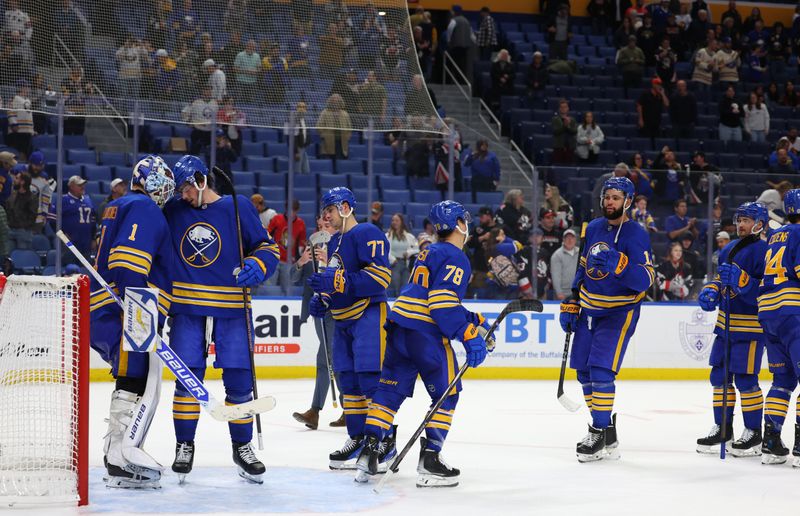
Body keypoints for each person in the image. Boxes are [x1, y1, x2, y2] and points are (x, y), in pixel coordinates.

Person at [356, 200, 490, 487]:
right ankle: (430, 458)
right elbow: (440, 304)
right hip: (425, 335)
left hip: (399, 327)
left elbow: (430, 297)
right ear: (459, 224)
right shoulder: (457, 256)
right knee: (448, 392)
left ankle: (369, 453)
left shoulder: (429, 251)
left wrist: (473, 319)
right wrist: (468, 334)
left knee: (388, 394)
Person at [163, 155, 280, 483]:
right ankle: (184, 445)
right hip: (187, 307)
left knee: (241, 381)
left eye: (186, 188)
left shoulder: (239, 207)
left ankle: (241, 447)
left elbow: (267, 248)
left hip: (232, 307)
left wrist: (259, 265)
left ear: (201, 181)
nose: (183, 195)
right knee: (187, 379)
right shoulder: (173, 210)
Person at [90, 155, 176, 489]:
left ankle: (121, 453)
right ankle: (119, 457)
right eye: (164, 182)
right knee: (133, 378)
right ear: (151, 180)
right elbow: (127, 262)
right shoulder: (144, 208)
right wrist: (138, 310)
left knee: (135, 379)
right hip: (128, 307)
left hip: (116, 306)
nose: (167, 190)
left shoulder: (121, 204)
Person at [560, 177, 654, 462]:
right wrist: (573, 299)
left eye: (615, 197)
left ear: (627, 201)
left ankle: (598, 431)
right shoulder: (595, 228)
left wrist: (620, 264)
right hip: (589, 310)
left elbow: (646, 279)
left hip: (618, 313)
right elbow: (583, 266)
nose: (609, 202)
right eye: (606, 197)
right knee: (584, 373)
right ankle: (607, 428)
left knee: (601, 371)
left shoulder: (636, 234)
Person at [306, 187, 392, 471]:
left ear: (345, 207)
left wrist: (337, 283)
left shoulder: (367, 232)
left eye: (328, 211)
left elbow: (379, 278)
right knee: (349, 383)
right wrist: (323, 299)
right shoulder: (333, 243)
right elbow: (336, 283)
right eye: (323, 213)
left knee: (370, 380)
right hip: (342, 320)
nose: (325, 217)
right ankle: (357, 438)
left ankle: (383, 440)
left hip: (368, 315)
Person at [696, 202, 768, 456]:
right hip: (725, 325)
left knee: (746, 380)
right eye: (739, 220)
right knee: (719, 377)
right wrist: (711, 291)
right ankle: (723, 427)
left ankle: (754, 433)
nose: (740, 225)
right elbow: (720, 279)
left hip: (749, 328)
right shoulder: (728, 250)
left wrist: (743, 281)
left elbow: (766, 291)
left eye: (746, 220)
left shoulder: (764, 251)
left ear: (760, 223)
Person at [756, 189, 800, 466]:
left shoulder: (775, 235)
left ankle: (770, 442)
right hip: (793, 312)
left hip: (768, 313)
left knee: (782, 381)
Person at [292, 217, 340, 430]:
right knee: (330, 359)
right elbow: (293, 278)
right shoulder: (310, 249)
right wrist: (301, 262)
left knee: (327, 359)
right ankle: (349, 408)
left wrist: (330, 261)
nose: (323, 229)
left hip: (336, 311)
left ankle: (315, 411)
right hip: (317, 311)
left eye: (326, 226)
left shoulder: (340, 249)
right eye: (320, 226)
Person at [48, 175, 95, 265]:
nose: (82, 187)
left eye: (83, 184)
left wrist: (93, 238)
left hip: (86, 243)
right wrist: (62, 235)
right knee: (70, 269)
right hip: (70, 243)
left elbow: (93, 221)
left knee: (85, 271)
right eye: (79, 185)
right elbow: (52, 220)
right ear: (71, 186)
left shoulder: (88, 200)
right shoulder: (63, 200)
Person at [267, 199, 307, 295]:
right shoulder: (277, 219)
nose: (291, 213)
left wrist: (301, 258)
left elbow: (301, 245)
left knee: (288, 290)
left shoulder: (301, 224)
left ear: (297, 211)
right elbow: (267, 236)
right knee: (268, 288)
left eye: (294, 211)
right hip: (274, 259)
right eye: (289, 210)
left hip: (289, 261)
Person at [386, 213, 418, 297]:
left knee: (405, 287)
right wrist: (392, 259)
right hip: (394, 264)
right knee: (396, 287)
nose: (394, 222)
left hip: (405, 264)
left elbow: (417, 249)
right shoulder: (387, 236)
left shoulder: (409, 236)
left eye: (397, 220)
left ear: (401, 222)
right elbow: (384, 250)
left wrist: (409, 252)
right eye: (393, 220)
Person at [637, 77, 669, 145]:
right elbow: (639, 105)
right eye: (657, 84)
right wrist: (640, 119)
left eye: (660, 84)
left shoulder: (660, 95)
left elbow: (667, 104)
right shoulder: (646, 93)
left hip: (657, 122)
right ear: (653, 84)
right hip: (646, 122)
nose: (659, 86)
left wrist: (663, 94)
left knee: (656, 142)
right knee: (646, 141)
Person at [550, 228, 579, 300]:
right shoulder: (557, 255)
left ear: (575, 240)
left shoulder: (580, 253)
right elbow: (555, 275)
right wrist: (559, 292)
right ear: (563, 240)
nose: (569, 240)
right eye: (567, 238)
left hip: (578, 292)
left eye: (572, 237)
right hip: (563, 294)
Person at [551, 99, 578, 165]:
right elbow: (555, 131)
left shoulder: (572, 120)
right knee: (558, 165)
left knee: (569, 165)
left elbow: (574, 131)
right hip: (559, 147)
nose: (563, 109)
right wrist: (564, 126)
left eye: (565, 107)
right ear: (559, 109)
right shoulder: (555, 119)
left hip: (570, 147)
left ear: (568, 108)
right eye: (562, 107)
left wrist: (568, 126)